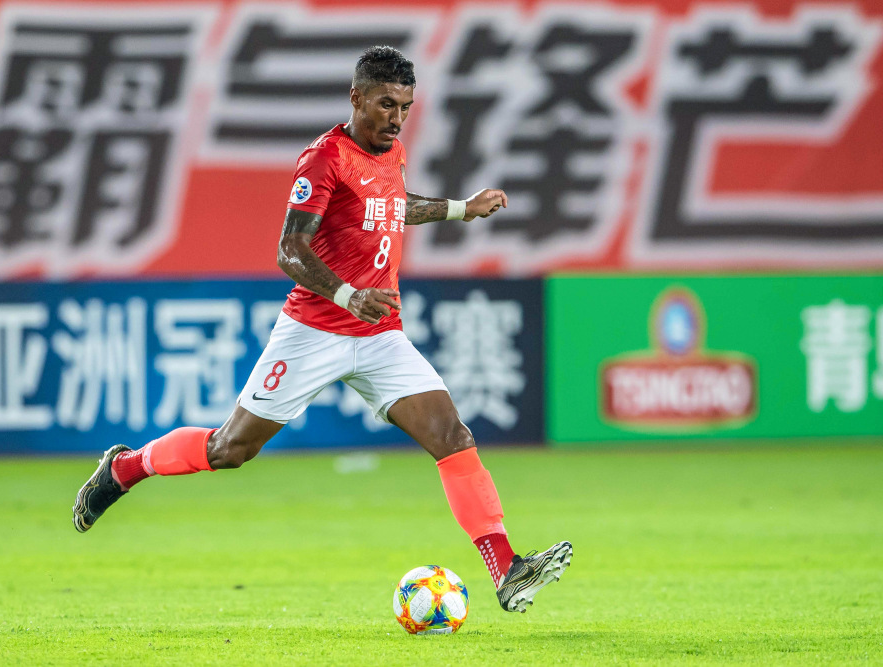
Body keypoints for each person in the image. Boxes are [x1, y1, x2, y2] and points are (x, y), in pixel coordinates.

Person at [73, 45, 571, 613]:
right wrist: (347, 293)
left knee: (451, 435)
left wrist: (461, 208)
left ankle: (505, 567)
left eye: (405, 107)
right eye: (386, 104)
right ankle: (124, 468)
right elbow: (289, 248)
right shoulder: (323, 158)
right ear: (356, 97)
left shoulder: (392, 152)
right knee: (230, 449)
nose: (396, 118)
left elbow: (391, 206)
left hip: (381, 333)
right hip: (314, 330)